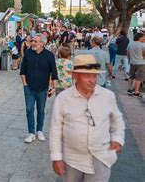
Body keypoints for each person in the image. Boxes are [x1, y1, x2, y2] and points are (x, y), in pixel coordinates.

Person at [49, 54, 125, 182]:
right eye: (87, 76)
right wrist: (56, 157)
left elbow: (117, 120)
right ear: (75, 76)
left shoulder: (107, 96)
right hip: (72, 160)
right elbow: (55, 130)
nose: (92, 80)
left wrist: (118, 138)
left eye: (94, 76)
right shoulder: (63, 98)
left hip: (101, 157)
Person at [20, 34, 58, 143]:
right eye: (32, 41)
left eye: (35, 41)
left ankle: (39, 130)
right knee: (29, 109)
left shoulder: (49, 55)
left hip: (43, 88)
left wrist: (54, 87)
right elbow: (22, 70)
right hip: (29, 87)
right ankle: (31, 132)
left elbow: (54, 72)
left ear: (42, 43)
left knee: (41, 110)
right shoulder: (28, 53)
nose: (33, 43)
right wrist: (25, 84)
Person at [127, 32, 145, 97]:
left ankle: (129, 89)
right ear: (139, 37)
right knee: (139, 78)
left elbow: (128, 54)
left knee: (131, 76)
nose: (144, 38)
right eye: (143, 37)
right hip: (141, 63)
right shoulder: (142, 45)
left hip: (132, 62)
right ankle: (136, 92)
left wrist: (129, 60)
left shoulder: (130, 44)